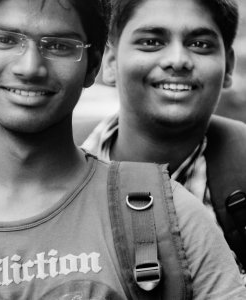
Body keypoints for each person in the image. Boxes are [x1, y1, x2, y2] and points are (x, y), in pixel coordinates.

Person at [0, 0, 245, 299]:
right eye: (5, 40)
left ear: (93, 64)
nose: (30, 67)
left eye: (60, 46)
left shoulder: (175, 215)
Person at [82, 0, 246, 281]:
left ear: (228, 66)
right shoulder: (59, 186)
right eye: (150, 41)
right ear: (109, 62)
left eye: (201, 44)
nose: (178, 60)